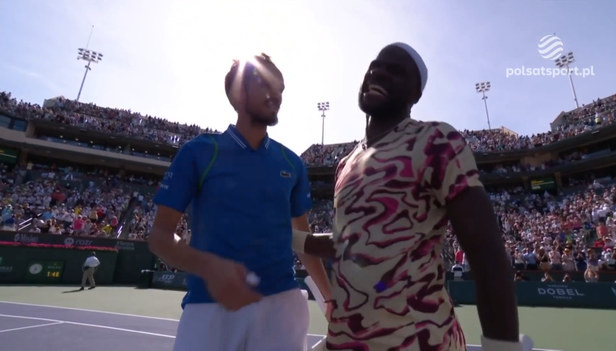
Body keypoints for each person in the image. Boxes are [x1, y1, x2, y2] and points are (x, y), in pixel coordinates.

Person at [316, 43, 526, 351]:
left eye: (395, 71)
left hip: (419, 340)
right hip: (347, 340)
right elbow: (346, 243)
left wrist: (503, 348)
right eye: (375, 65)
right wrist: (290, 237)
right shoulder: (344, 164)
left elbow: (487, 256)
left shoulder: (436, 140)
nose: (378, 72)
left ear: (416, 95)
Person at [148, 53, 332, 351]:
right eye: (268, 85)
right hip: (209, 306)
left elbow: (302, 240)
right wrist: (208, 267)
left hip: (282, 308)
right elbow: (160, 235)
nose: (278, 96)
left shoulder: (292, 163)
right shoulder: (198, 152)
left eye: (281, 89)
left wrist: (330, 297)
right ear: (239, 93)